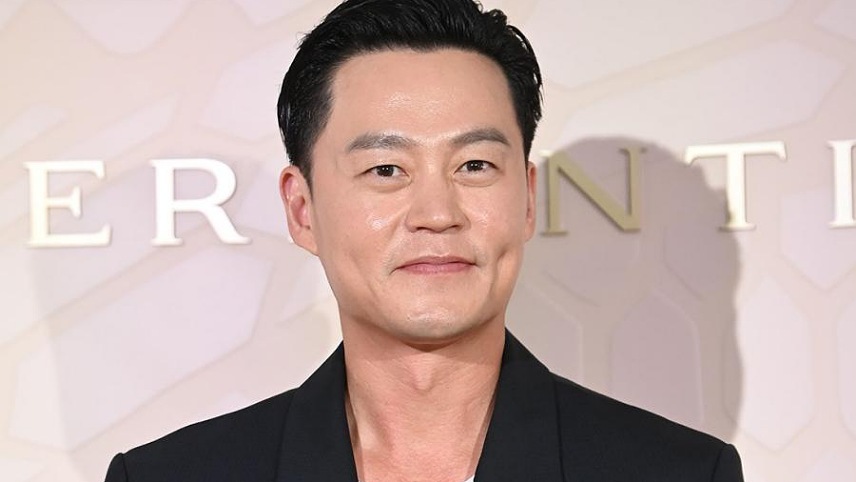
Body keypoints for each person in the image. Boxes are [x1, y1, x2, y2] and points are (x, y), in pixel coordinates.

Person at [104, 0, 745, 480]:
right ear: (302, 209)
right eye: (386, 170)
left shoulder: (680, 473)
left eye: (475, 165)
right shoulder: (170, 477)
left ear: (526, 199)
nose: (437, 214)